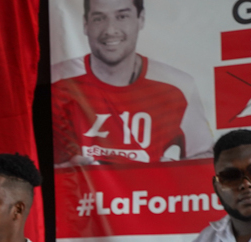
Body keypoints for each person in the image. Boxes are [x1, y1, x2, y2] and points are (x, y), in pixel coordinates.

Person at [51, 0, 212, 166]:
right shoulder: (55, 82)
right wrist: (61, 174)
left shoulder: (179, 85)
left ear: (140, 19)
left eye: (122, 16)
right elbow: (31, 156)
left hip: (150, 192)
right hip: (80, 192)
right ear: (85, 24)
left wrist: (172, 173)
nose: (110, 30)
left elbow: (205, 157)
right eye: (99, 18)